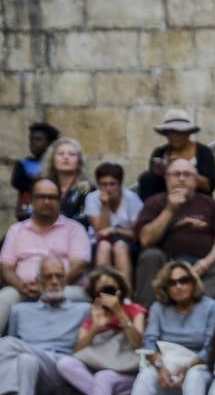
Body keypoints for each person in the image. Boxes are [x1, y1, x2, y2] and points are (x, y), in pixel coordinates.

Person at [111, 262, 215, 395]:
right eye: (172, 283)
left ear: (193, 282)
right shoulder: (158, 308)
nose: (178, 286)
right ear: (165, 287)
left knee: (195, 376)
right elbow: (149, 341)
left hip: (199, 369)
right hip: (166, 368)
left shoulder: (211, 307)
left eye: (183, 280)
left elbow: (210, 348)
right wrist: (161, 369)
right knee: (145, 377)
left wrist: (186, 369)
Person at [0, 258, 89, 395]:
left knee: (8, 343)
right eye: (48, 276)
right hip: (30, 374)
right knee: (24, 360)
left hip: (61, 368)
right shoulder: (20, 311)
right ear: (38, 281)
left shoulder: (83, 309)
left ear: (66, 281)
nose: (54, 281)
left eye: (59, 276)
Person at [56, 268, 146, 395]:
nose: (105, 294)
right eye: (100, 290)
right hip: (102, 369)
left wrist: (120, 314)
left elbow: (140, 345)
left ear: (120, 290)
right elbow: (78, 351)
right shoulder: (93, 315)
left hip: (128, 373)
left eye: (109, 288)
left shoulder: (134, 310)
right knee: (64, 363)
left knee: (103, 377)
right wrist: (96, 327)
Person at [133, 159, 215, 308]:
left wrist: (208, 261)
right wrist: (169, 210)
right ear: (167, 179)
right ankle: (148, 312)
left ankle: (193, 312)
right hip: (166, 264)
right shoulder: (154, 202)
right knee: (149, 256)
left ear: (195, 180)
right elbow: (146, 239)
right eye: (176, 174)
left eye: (187, 175)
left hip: (200, 266)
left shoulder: (209, 203)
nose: (181, 178)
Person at [0, 178, 90, 336]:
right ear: (32, 200)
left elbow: (79, 266)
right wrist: (21, 286)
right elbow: (6, 268)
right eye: (41, 197)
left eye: (52, 197)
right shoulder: (16, 230)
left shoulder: (75, 229)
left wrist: (50, 286)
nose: (47, 201)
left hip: (65, 287)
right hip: (24, 289)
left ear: (60, 200)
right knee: (5, 297)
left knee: (75, 295)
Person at [137, 109, 215, 200]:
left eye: (179, 133)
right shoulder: (160, 152)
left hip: (196, 199)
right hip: (166, 199)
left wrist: (183, 169)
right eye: (170, 133)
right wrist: (161, 173)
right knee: (146, 178)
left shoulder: (203, 152)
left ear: (188, 133)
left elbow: (209, 186)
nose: (174, 136)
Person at [84, 163, 142, 285]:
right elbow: (101, 232)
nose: (108, 188)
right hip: (99, 242)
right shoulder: (92, 198)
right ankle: (101, 291)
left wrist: (115, 230)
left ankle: (126, 295)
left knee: (119, 246)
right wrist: (105, 205)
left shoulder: (131, 199)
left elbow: (137, 233)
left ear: (120, 184)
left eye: (112, 184)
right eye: (104, 184)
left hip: (127, 241)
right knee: (104, 246)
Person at [10, 121, 58, 220]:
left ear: (50, 144)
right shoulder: (24, 163)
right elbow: (16, 182)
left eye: (38, 140)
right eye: (31, 139)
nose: (33, 143)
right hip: (27, 210)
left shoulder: (56, 165)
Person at [42, 137, 94, 224]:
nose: (66, 157)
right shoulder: (44, 187)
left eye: (72, 154)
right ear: (52, 160)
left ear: (79, 162)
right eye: (61, 154)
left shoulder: (87, 189)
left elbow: (85, 220)